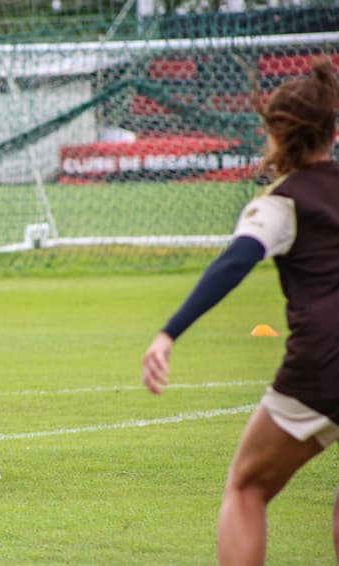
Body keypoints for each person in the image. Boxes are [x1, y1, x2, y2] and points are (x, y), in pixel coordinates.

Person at [141, 58, 339, 565]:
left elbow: (234, 262)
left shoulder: (280, 203)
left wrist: (169, 333)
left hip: (325, 361)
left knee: (247, 488)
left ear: (274, 134)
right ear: (332, 131)